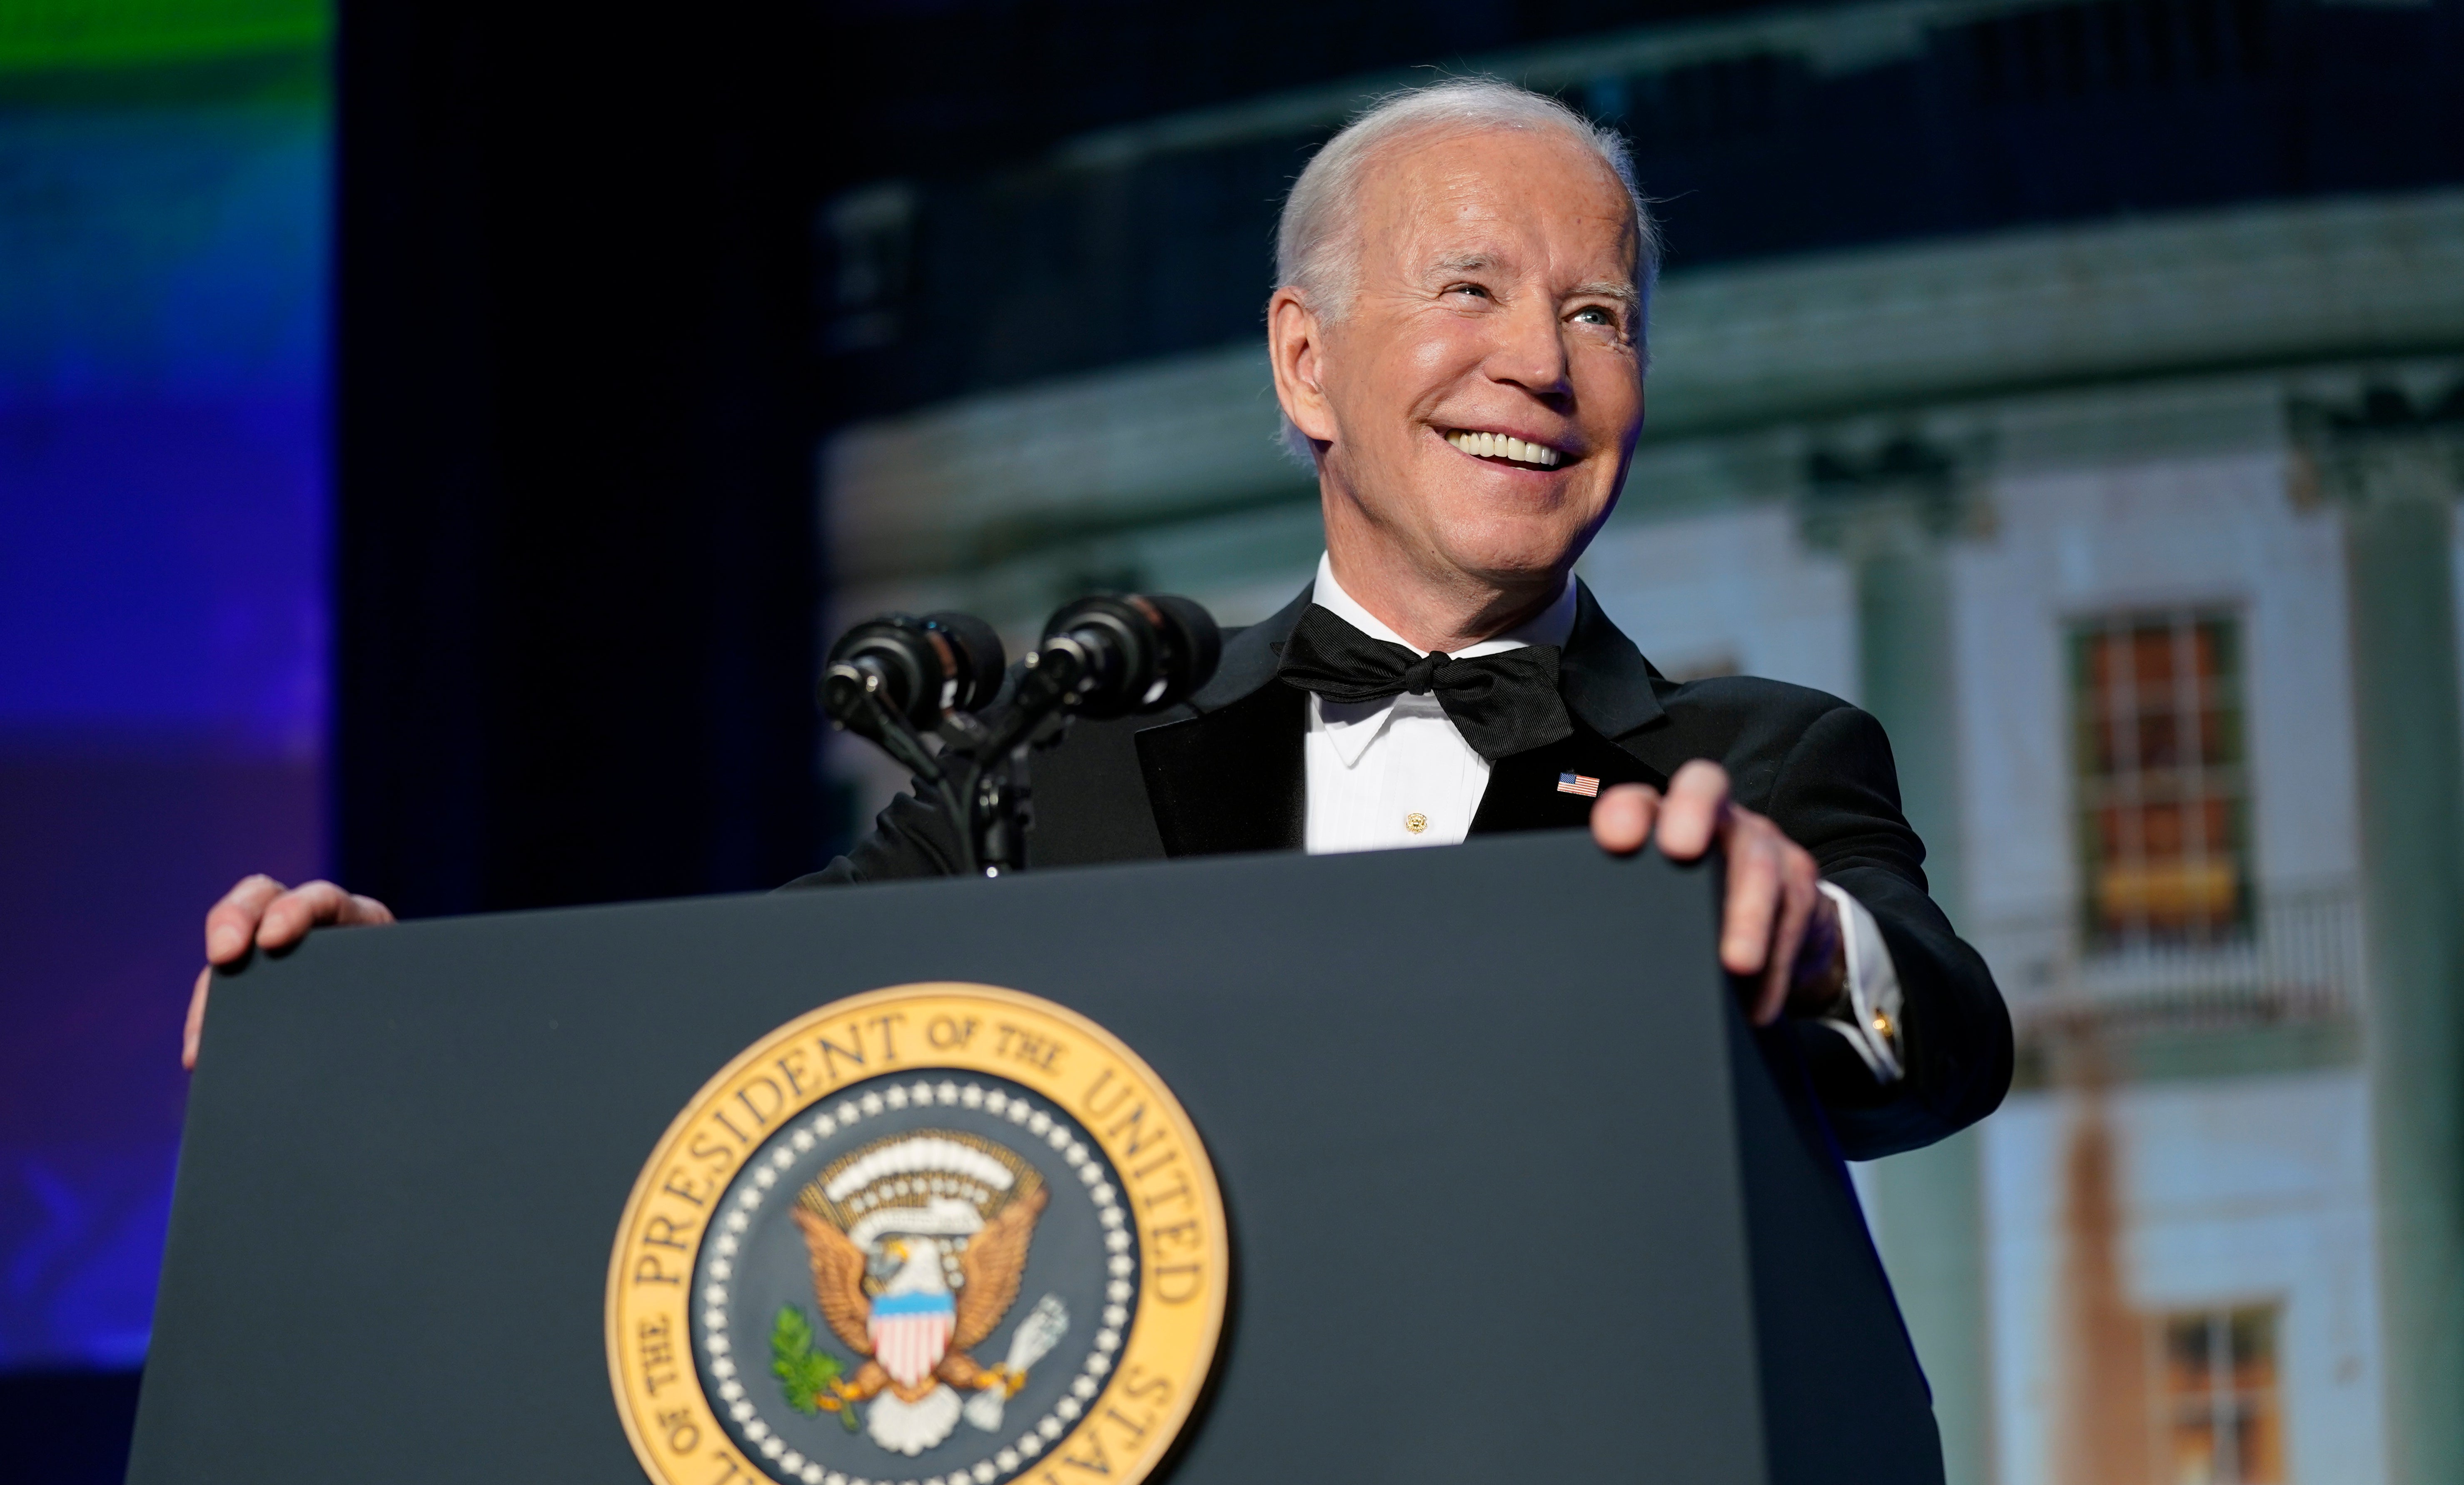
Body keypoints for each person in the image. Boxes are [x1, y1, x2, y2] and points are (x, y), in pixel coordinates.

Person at [189, 80, 2009, 1158]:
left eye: (1600, 316)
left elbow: (1945, 1034)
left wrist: (1810, 940)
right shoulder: (1062, 767)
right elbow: (712, 1026)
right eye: (1469, 289)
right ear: (1305, 363)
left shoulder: (1756, 763)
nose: (1539, 359)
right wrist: (389, 1012)